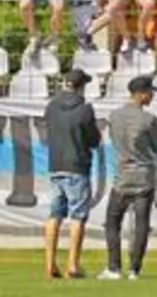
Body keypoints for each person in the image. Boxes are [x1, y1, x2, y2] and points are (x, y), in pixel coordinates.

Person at [101, 74, 157, 281]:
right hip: (143, 176)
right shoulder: (149, 119)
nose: (152, 96)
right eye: (151, 92)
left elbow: (113, 139)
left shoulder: (114, 116)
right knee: (142, 224)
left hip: (122, 175)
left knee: (112, 222)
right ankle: (135, 269)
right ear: (142, 94)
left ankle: (114, 267)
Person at [43, 69, 99, 280]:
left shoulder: (52, 106)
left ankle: (50, 264)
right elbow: (93, 140)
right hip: (77, 165)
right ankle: (73, 265)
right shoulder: (85, 109)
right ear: (81, 86)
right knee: (77, 217)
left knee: (54, 215)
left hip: (55, 164)